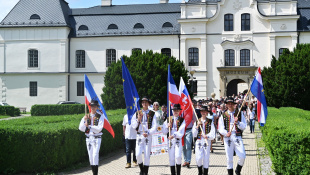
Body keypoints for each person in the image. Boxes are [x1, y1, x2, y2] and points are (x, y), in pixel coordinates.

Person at [218, 97, 247, 175]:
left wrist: (238, 123)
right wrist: (225, 133)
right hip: (228, 137)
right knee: (229, 158)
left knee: (242, 155)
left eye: (232, 104)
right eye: (228, 104)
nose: (230, 105)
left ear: (234, 105)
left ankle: (238, 170)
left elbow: (244, 126)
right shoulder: (223, 115)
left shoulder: (239, 113)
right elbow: (220, 128)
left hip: (237, 136)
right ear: (226, 105)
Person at [131, 97, 158, 175]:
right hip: (139, 135)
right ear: (141, 104)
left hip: (147, 135)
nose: (144, 104)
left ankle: (145, 172)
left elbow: (155, 126)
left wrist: (149, 132)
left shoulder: (152, 113)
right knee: (138, 154)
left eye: (146, 102)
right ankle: (141, 169)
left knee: (146, 155)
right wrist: (138, 120)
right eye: (143, 102)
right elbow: (133, 126)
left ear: (148, 103)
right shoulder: (137, 113)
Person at [78, 100, 104, 175]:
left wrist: (89, 126)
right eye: (92, 106)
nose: (93, 107)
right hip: (89, 139)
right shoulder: (87, 116)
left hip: (97, 138)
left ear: (97, 107)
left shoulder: (100, 116)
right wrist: (85, 122)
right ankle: (94, 173)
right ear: (90, 107)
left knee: (95, 155)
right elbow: (81, 128)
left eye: (95, 106)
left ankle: (95, 173)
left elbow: (99, 128)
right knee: (91, 157)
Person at [162, 104, 185, 175]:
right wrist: (167, 126)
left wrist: (174, 135)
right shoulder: (168, 119)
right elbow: (164, 131)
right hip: (170, 141)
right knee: (171, 158)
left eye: (177, 110)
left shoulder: (182, 120)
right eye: (174, 110)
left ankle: (178, 173)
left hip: (177, 140)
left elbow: (181, 132)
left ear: (179, 111)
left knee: (178, 156)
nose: (176, 112)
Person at [192, 105, 215, 175]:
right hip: (199, 141)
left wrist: (207, 136)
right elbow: (194, 134)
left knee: (206, 158)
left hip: (206, 141)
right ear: (200, 112)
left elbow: (213, 134)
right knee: (198, 158)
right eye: (202, 111)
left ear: (207, 112)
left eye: (205, 111)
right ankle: (199, 171)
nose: (203, 113)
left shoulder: (210, 121)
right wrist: (197, 126)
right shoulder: (197, 121)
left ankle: (205, 173)